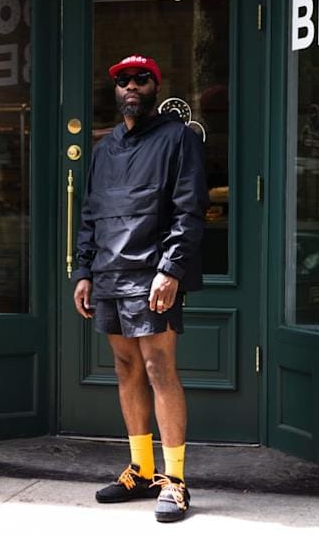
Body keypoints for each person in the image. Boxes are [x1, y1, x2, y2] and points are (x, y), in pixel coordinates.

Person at [72, 54, 208, 523]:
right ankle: (141, 469)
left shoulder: (178, 138)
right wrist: (83, 271)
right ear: (116, 91)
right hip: (109, 272)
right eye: (123, 80)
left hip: (153, 272)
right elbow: (89, 215)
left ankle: (176, 481)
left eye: (141, 79)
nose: (131, 86)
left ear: (155, 86)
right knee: (125, 365)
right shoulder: (104, 148)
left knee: (158, 366)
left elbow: (189, 210)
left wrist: (171, 271)